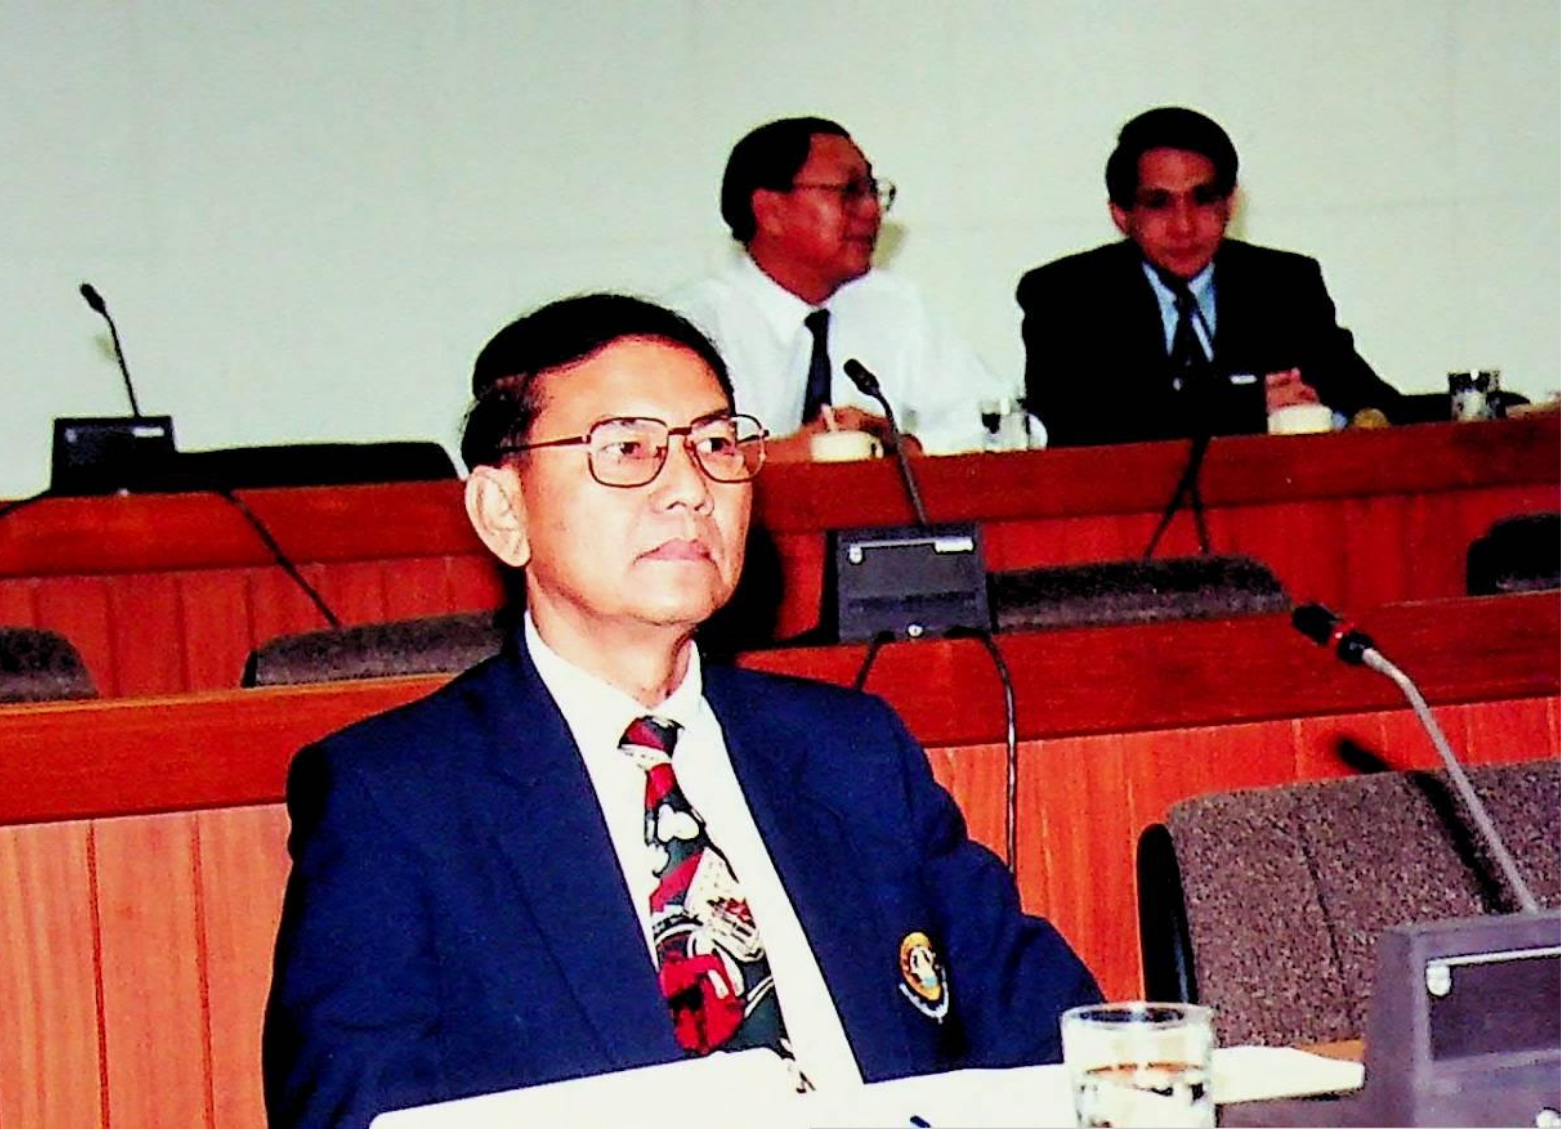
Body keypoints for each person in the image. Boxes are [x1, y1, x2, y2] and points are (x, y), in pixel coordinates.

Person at [262, 293, 1099, 1126]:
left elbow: (1059, 1045)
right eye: (628, 449)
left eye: (715, 444)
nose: (691, 488)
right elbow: (352, 1112)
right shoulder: (396, 797)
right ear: (503, 512)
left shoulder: (850, 750)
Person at [1016, 106, 1404, 448]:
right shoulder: (1065, 294)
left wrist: (1362, 416)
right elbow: (1075, 423)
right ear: (1122, 215)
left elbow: (1372, 398)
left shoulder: (1283, 284)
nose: (1184, 226)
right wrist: (1251, 408)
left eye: (1203, 199)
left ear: (1230, 204)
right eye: (1159, 204)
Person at [672, 117, 1017, 460]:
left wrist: (902, 446)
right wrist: (780, 456)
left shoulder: (893, 304)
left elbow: (1005, 421)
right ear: (770, 211)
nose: (871, 210)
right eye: (850, 191)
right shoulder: (691, 325)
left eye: (873, 190)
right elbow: (674, 454)